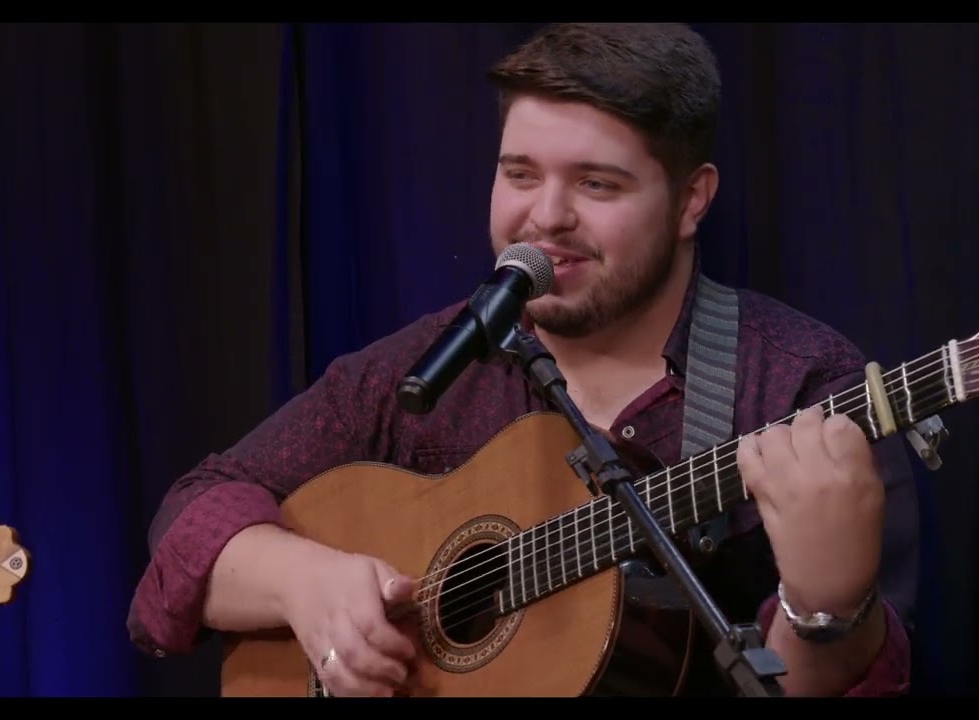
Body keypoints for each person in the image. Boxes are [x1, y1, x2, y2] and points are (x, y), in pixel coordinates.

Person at [127, 22, 920, 698]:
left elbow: (834, 682)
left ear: (691, 200)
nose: (545, 216)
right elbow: (194, 517)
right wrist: (307, 584)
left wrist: (828, 607)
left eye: (598, 184)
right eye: (520, 175)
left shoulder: (801, 386)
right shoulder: (424, 369)